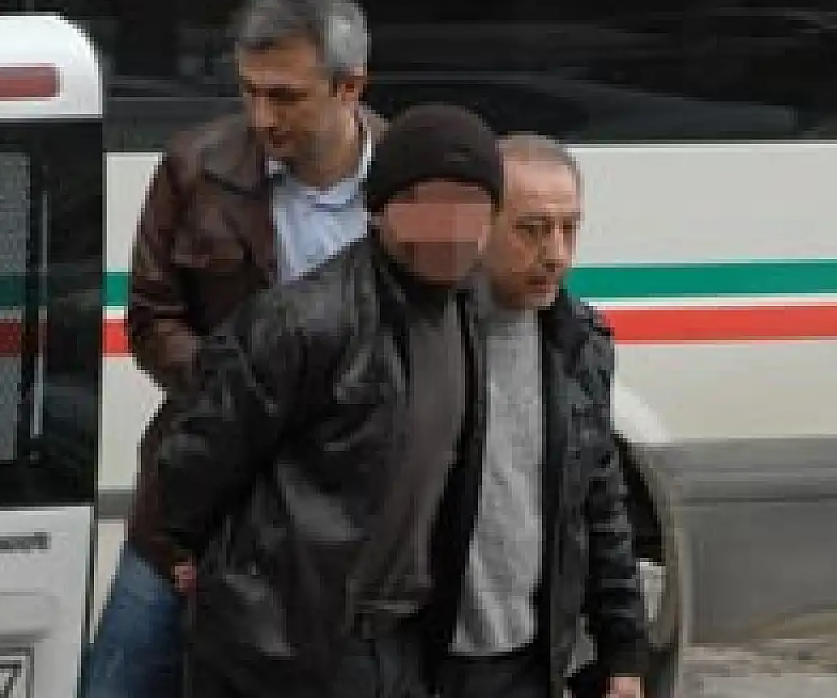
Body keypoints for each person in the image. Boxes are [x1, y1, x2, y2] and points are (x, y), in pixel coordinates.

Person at [85, 0, 382, 694]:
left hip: (345, 508)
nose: (261, 117)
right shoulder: (197, 167)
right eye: (249, 91)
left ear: (349, 87)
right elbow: (152, 319)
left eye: (285, 96)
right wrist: (241, 399)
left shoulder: (408, 181)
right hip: (196, 497)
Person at [146, 103, 503, 698]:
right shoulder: (301, 322)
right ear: (380, 210)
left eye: (471, 207)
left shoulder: (469, 313)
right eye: (428, 204)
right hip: (287, 647)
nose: (450, 228)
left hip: (402, 642)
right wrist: (218, 569)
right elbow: (196, 463)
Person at [436, 133, 648, 698]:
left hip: (531, 661)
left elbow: (602, 506)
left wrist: (623, 653)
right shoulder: (429, 335)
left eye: (568, 229)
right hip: (428, 660)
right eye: (531, 230)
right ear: (481, 226)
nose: (555, 254)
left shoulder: (580, 345)